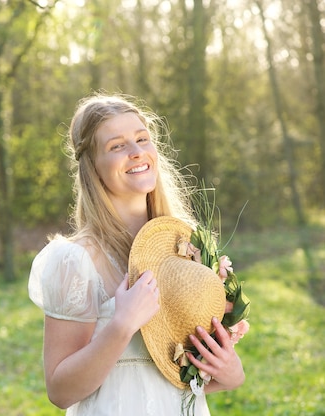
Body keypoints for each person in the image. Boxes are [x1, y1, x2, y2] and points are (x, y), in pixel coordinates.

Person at [28, 92, 245, 415]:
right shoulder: (76, 260)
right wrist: (122, 324)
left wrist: (229, 372)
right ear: (93, 167)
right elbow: (60, 391)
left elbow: (180, 376)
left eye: (142, 139)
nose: (137, 152)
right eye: (117, 146)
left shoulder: (185, 251)